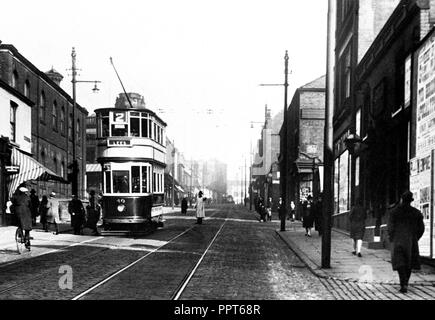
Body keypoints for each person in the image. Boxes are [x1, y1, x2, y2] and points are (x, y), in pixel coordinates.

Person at [388, 191, 425, 294]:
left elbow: (390, 227)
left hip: (398, 241)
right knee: (408, 263)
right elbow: (421, 228)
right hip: (411, 241)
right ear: (410, 201)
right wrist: (415, 238)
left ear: (401, 199)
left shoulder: (394, 212)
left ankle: (402, 283)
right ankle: (405, 283)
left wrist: (392, 238)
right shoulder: (416, 213)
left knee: (400, 263)